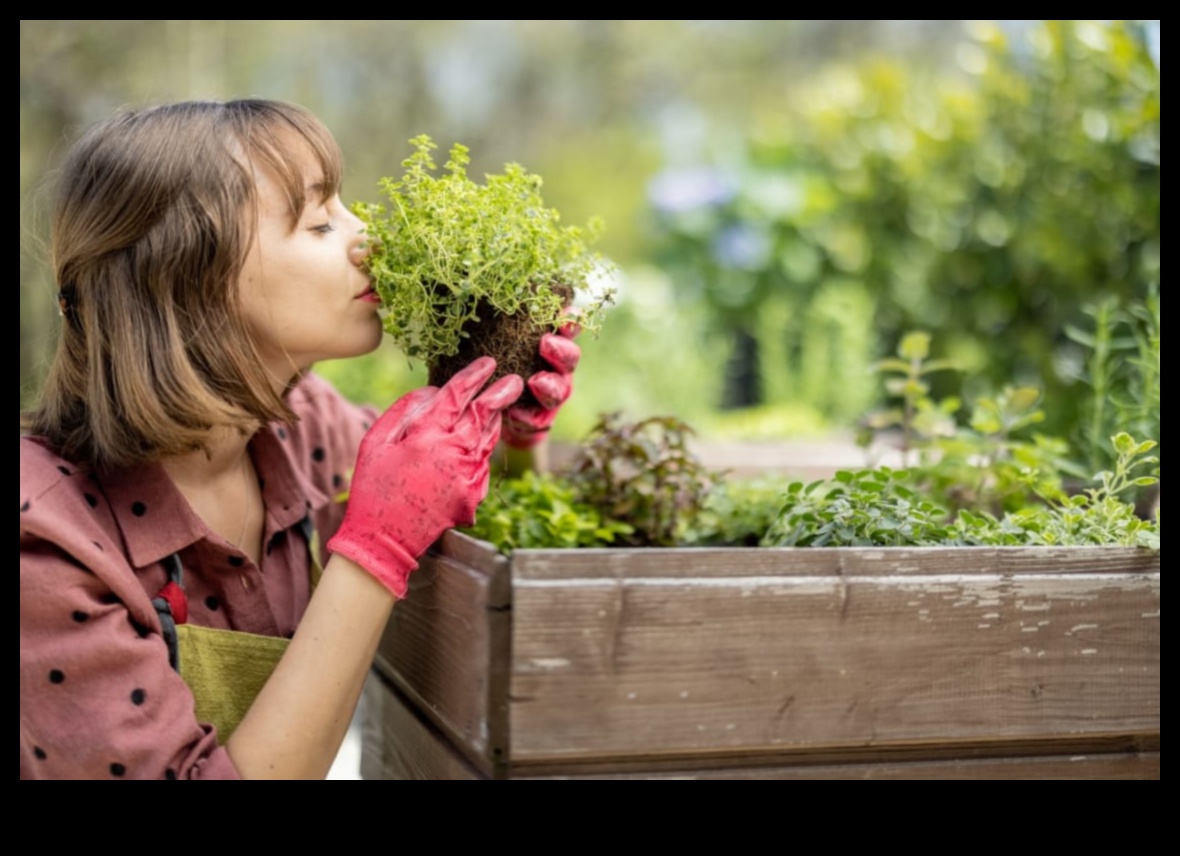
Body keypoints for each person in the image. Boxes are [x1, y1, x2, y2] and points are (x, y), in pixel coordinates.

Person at [19, 99, 581, 780]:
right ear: (187, 279)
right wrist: (375, 551)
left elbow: (464, 523)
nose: (369, 239)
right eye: (318, 223)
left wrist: (508, 435)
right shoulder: (43, 539)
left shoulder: (304, 427)